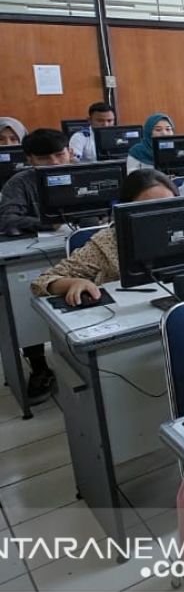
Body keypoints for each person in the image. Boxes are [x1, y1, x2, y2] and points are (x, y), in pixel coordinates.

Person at [31, 170, 179, 307]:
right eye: (148, 208)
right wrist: (74, 282)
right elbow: (41, 282)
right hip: (127, 315)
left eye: (168, 205)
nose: (161, 215)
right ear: (126, 210)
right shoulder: (109, 241)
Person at [0, 128, 72, 403]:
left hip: (79, 247)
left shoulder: (86, 175)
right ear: (30, 159)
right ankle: (39, 364)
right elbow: (7, 219)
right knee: (24, 308)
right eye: (44, 158)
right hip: (35, 253)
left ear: (69, 152)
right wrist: (48, 223)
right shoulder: (19, 183)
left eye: (59, 154)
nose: (54, 163)